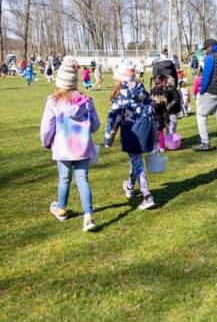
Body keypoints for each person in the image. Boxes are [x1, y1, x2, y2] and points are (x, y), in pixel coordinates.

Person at [40, 56, 100, 232]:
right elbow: (95, 124)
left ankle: (61, 209)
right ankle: (88, 215)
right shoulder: (86, 100)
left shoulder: (53, 101)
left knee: (64, 179)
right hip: (82, 147)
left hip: (63, 148)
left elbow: (46, 127)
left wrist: (47, 142)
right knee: (82, 179)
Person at [104, 62, 157, 210]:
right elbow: (152, 110)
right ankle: (129, 187)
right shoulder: (143, 93)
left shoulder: (121, 98)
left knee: (137, 163)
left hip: (132, 133)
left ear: (121, 80)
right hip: (145, 130)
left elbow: (113, 119)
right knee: (135, 160)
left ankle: (147, 196)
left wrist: (108, 139)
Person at [150, 74, 171, 152]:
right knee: (161, 132)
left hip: (153, 115)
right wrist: (167, 120)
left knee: (154, 133)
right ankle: (161, 147)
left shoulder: (152, 90)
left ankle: (155, 147)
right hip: (159, 116)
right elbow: (164, 109)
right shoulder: (163, 92)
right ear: (162, 82)